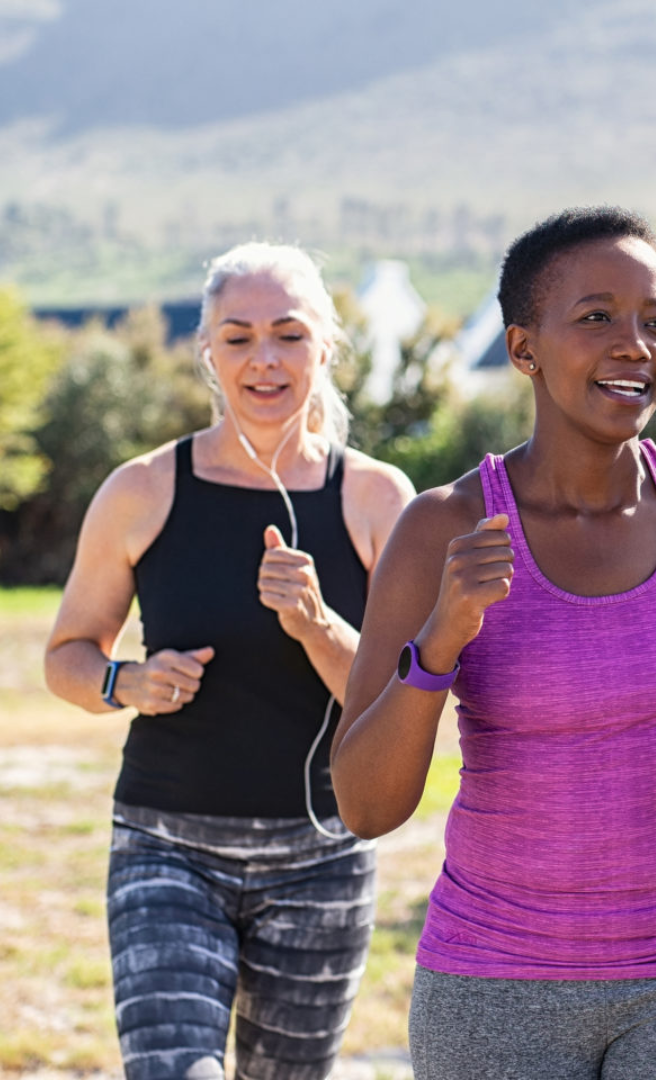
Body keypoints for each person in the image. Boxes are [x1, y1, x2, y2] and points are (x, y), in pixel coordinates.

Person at [329, 206, 656, 1080]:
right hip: (497, 979)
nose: (636, 345)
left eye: (655, 322)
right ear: (524, 349)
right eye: (597, 318)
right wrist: (441, 639)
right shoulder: (443, 526)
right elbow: (366, 805)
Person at [43, 242, 415, 1079]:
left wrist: (318, 623)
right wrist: (125, 682)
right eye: (239, 337)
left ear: (325, 345)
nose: (265, 359)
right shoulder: (142, 490)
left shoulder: (377, 499)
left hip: (322, 855)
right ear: (208, 352)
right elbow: (66, 655)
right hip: (165, 846)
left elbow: (405, 697)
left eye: (288, 334)